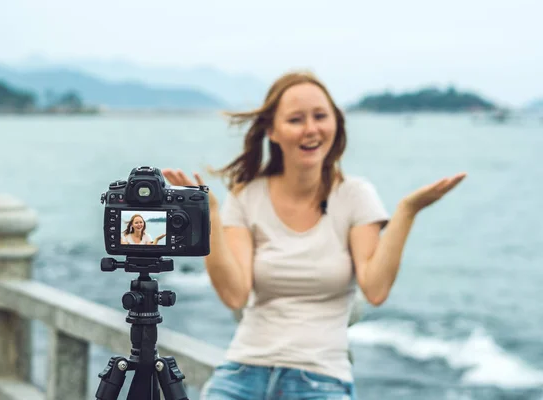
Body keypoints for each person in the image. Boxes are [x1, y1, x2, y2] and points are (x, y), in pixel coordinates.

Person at [162, 71, 466, 400]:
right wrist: (209, 218)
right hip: (242, 372)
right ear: (272, 132)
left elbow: (375, 289)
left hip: (322, 379)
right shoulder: (246, 195)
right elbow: (235, 295)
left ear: (336, 123)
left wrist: (408, 210)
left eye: (320, 116)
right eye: (296, 119)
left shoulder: (355, 196)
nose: (311, 129)